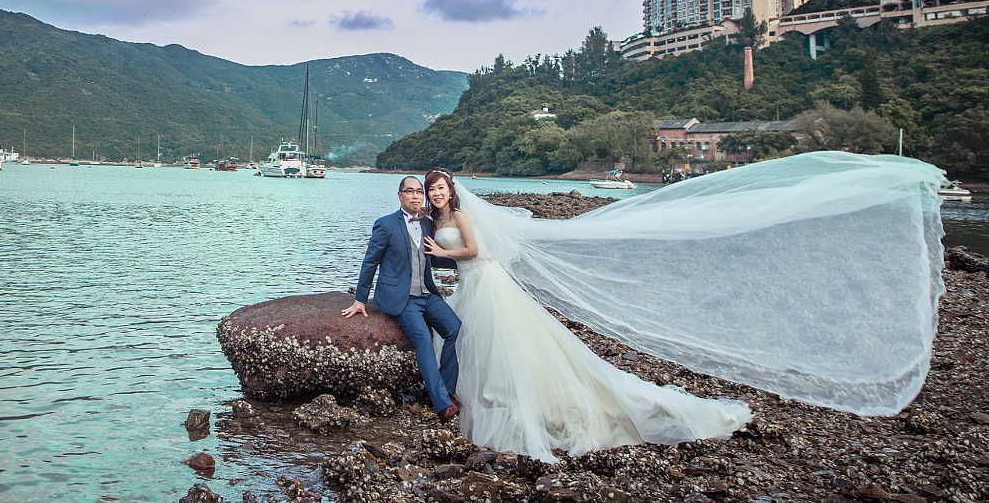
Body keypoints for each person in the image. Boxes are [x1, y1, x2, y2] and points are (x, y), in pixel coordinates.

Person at [415, 151, 946, 464]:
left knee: (502, 346)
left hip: (484, 283)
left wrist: (443, 252)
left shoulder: (462, 218)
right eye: (431, 190)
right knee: (481, 346)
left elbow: (475, 253)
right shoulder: (430, 214)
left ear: (451, 190)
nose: (436, 195)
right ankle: (481, 396)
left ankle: (510, 408)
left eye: (440, 188)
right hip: (471, 287)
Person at [341, 176, 470, 422]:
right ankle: (442, 404)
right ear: (400, 196)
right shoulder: (385, 224)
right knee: (423, 340)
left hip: (427, 294)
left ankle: (446, 388)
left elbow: (435, 256)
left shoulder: (427, 224)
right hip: (402, 298)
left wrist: (468, 262)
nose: (415, 196)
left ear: (423, 197)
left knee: (455, 330)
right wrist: (360, 299)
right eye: (409, 192)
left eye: (419, 192)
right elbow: (370, 262)